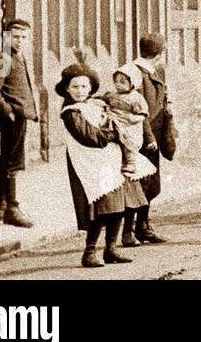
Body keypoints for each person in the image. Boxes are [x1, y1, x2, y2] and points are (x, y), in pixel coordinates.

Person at [55, 63, 155, 268]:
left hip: (110, 161)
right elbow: (91, 137)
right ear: (67, 89)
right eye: (75, 87)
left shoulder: (95, 105)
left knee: (119, 207)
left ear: (90, 88)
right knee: (102, 209)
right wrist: (116, 133)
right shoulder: (71, 112)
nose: (80, 91)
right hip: (90, 165)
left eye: (84, 87)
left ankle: (111, 248)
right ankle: (89, 251)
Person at [0, 19, 39, 227]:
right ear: (6, 37)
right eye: (15, 36)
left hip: (19, 116)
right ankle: (12, 209)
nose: (20, 41)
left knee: (7, 158)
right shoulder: (2, 59)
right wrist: (9, 112)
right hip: (11, 118)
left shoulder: (18, 57)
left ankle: (3, 205)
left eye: (24, 37)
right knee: (12, 161)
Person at [127, 32, 175, 244]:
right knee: (140, 183)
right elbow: (139, 109)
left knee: (152, 184)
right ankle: (129, 230)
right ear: (160, 53)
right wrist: (148, 137)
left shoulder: (154, 71)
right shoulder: (136, 74)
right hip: (142, 136)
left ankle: (142, 226)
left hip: (154, 133)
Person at [101, 65, 150, 179]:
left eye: (122, 82)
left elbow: (143, 112)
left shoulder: (135, 98)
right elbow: (103, 100)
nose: (118, 85)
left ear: (132, 83)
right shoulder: (112, 95)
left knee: (128, 140)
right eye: (116, 82)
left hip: (129, 123)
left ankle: (131, 163)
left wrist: (135, 118)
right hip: (115, 119)